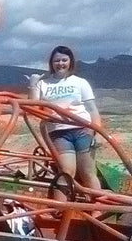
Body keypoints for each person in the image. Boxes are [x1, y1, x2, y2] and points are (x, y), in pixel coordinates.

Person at [27, 45, 102, 191]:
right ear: (51, 63)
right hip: (59, 132)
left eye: (64, 60)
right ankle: (62, 210)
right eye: (57, 61)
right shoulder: (43, 84)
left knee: (88, 173)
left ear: (70, 62)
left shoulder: (80, 82)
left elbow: (92, 109)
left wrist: (98, 133)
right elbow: (33, 108)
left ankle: (97, 211)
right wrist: (33, 85)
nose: (60, 64)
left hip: (83, 130)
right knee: (66, 172)